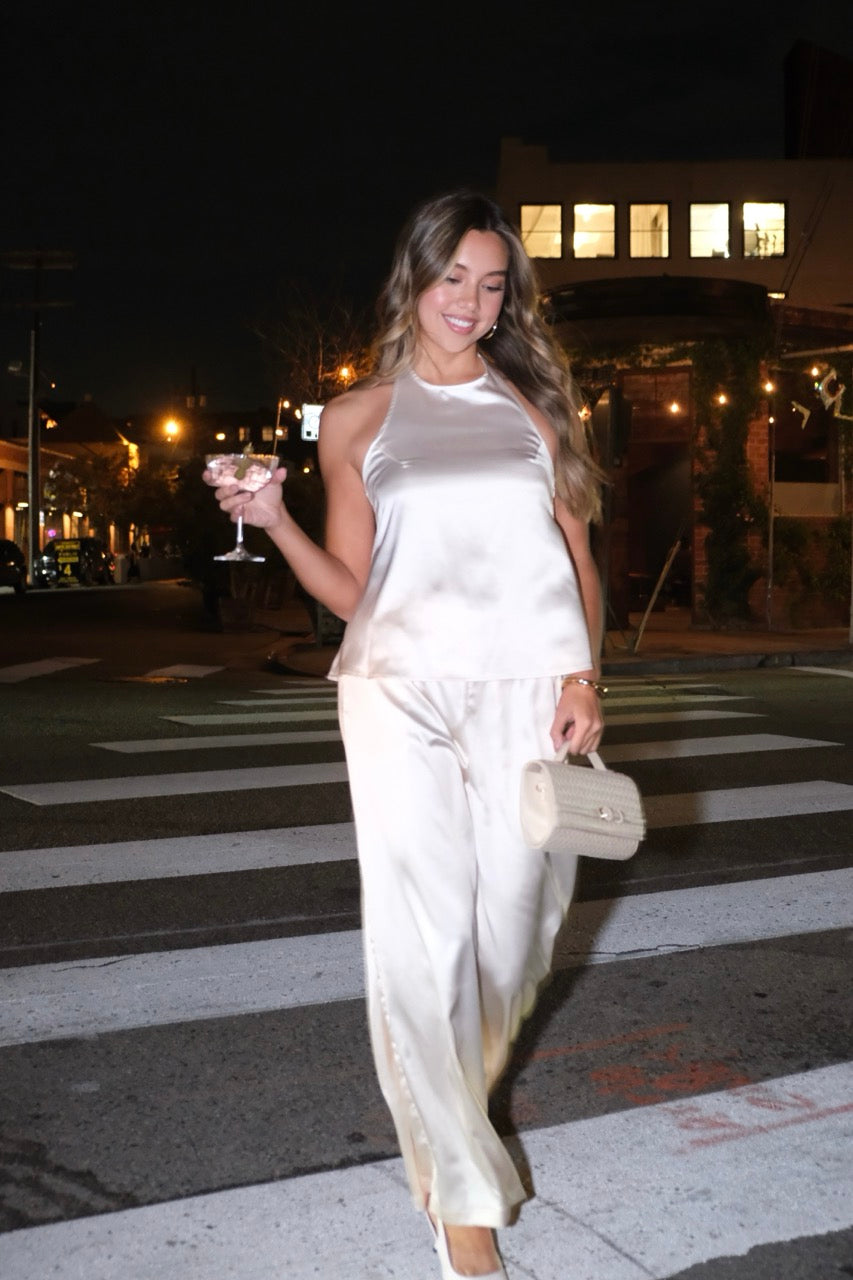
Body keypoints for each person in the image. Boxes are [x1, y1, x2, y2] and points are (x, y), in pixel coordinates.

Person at [208, 190, 605, 1279]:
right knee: (422, 943)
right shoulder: (356, 418)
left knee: (513, 937)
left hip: (527, 692)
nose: (471, 303)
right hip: (398, 690)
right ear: (414, 281)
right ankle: (462, 1201)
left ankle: (443, 1114)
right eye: (453, 280)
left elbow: (578, 562)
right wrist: (275, 519)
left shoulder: (536, 409)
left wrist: (584, 672)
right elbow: (350, 588)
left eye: (491, 284)